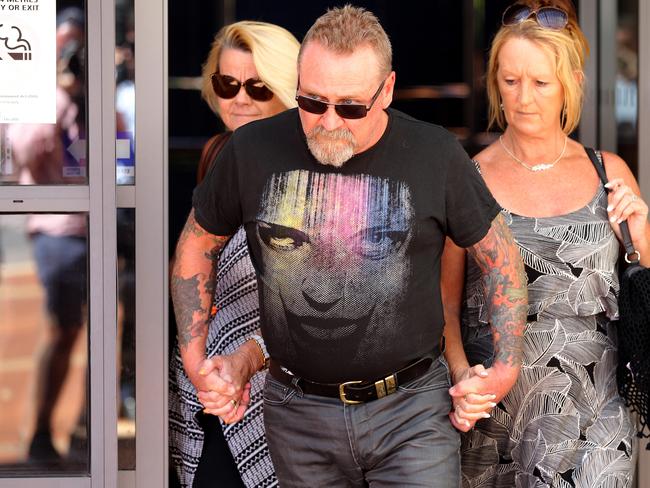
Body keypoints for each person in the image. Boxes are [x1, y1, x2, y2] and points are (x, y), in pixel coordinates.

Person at [172, 5, 527, 486]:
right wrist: (195, 359)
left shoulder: (434, 153)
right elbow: (198, 244)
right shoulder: (251, 150)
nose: (329, 122)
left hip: (411, 411)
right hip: (297, 413)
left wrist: (503, 370)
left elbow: (500, 258)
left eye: (351, 107)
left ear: (388, 91)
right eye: (312, 102)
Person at [442, 1, 649, 486]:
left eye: (540, 83)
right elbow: (443, 306)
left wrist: (641, 232)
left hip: (599, 418)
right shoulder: (468, 179)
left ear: (570, 84)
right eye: (510, 81)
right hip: (497, 418)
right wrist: (460, 375)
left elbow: (644, 292)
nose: (524, 98)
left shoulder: (609, 172)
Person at [168, 21, 299, 488]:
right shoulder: (216, 154)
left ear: (288, 89)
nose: (239, 99)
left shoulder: (308, 170)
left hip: (283, 396)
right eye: (227, 84)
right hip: (212, 386)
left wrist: (250, 356)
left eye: (258, 87)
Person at [7, 7, 88, 464]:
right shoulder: (41, 96)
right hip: (57, 228)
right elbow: (24, 151)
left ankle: (83, 425)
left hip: (97, 227)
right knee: (65, 330)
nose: (72, 54)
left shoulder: (92, 98)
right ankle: (41, 430)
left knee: (102, 332)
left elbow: (120, 158)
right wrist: (58, 94)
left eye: (78, 44)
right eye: (64, 44)